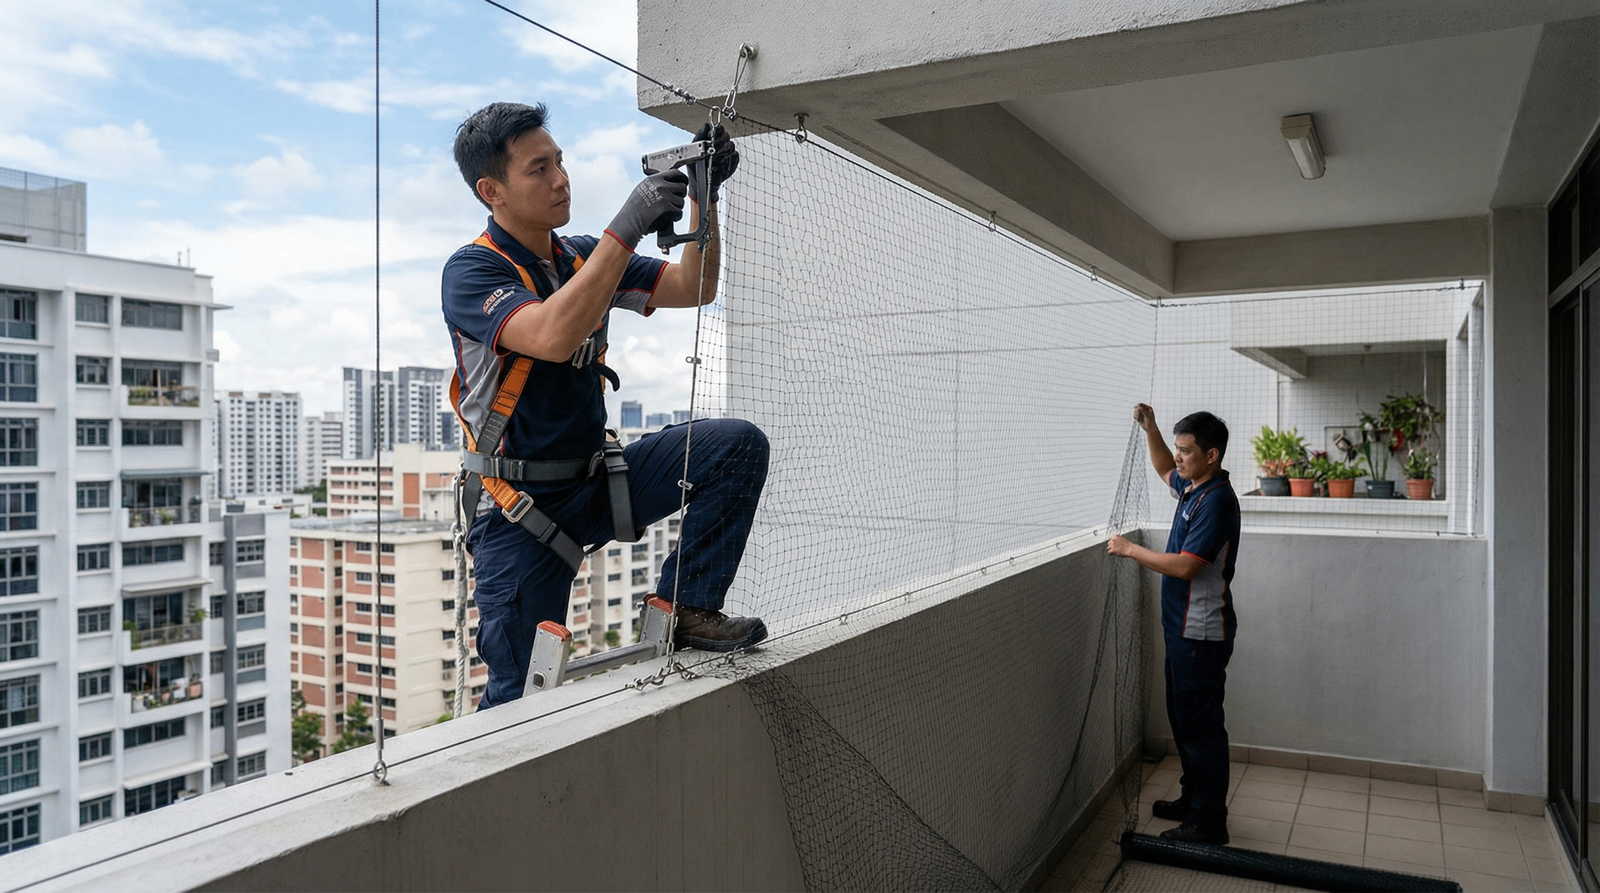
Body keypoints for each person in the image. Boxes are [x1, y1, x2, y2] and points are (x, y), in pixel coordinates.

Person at [441, 102, 770, 708]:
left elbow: (696, 286)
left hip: (594, 480)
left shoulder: (581, 257)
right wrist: (627, 225)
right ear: (493, 191)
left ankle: (686, 606)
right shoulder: (472, 270)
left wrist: (704, 198)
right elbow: (550, 334)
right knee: (518, 700)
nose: (561, 178)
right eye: (538, 169)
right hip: (520, 511)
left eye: (559, 162)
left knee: (735, 447)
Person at [1108, 404, 1241, 845]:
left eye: (1188, 451)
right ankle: (1192, 801)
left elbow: (1185, 567)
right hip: (1181, 632)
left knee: (1200, 728)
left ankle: (1208, 822)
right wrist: (1153, 429)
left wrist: (1129, 550)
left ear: (1212, 455)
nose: (1179, 458)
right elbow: (1164, 464)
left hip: (1200, 634)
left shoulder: (1218, 502)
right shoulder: (1193, 487)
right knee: (1184, 722)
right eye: (1180, 450)